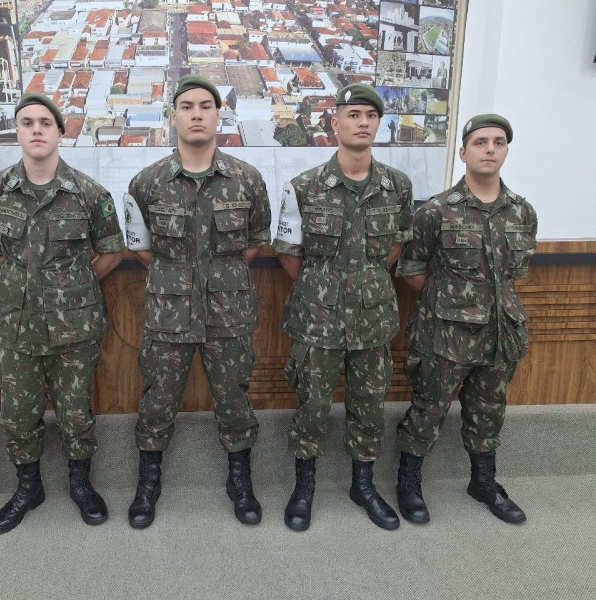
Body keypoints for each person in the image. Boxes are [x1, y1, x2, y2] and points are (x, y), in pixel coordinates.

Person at [123, 75, 271, 529]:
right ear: (173, 118)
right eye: (186, 107)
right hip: (169, 311)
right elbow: (140, 245)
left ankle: (240, 483)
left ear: (219, 115)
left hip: (230, 311)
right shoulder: (147, 183)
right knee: (157, 400)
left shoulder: (246, 179)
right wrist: (179, 274)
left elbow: (256, 240)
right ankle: (148, 485)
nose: (197, 114)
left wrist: (215, 275)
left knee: (234, 399)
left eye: (206, 106)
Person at [0, 93, 124, 533]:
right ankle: (28, 488)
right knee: (18, 414)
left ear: (61, 132)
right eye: (27, 122)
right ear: (18, 132)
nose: (36, 129)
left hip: (73, 326)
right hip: (16, 322)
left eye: (45, 122)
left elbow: (111, 252)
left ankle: (81, 485)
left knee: (76, 411)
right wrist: (31, 284)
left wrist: (69, 286)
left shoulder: (90, 193)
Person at [273, 84, 414, 531]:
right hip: (318, 318)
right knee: (311, 406)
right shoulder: (303, 187)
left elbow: (393, 249)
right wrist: (328, 287)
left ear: (379, 124)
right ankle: (304, 487)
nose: (363, 122)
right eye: (353, 114)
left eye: (370, 115)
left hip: (373, 318)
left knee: (369, 405)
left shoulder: (398, 186)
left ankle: (363, 485)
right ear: (335, 123)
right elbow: (290, 255)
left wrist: (360, 281)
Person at [395, 114, 537, 525]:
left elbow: (515, 276)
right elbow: (411, 269)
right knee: (428, 410)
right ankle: (409, 483)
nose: (489, 149)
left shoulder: (522, 212)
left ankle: (484, 482)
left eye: (497, 142)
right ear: (463, 153)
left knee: (489, 411)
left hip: (500, 336)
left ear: (506, 151)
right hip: (445, 337)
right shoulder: (437, 211)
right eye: (480, 142)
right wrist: (453, 303)